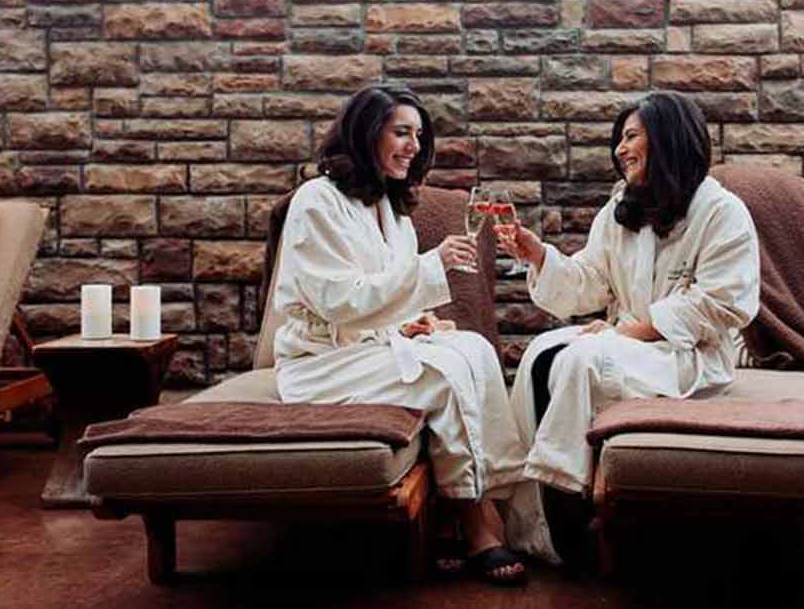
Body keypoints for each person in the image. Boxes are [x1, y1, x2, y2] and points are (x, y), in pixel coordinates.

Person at [270, 83, 537, 585]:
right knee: (442, 372)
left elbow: (381, 301)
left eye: (418, 134)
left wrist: (411, 323)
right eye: (401, 132)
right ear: (366, 133)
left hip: (367, 350)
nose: (413, 146)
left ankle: (491, 501)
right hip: (319, 367)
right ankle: (474, 523)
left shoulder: (391, 211)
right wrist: (429, 269)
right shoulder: (316, 202)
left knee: (473, 350)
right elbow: (338, 301)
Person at [497, 91, 762, 516]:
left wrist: (624, 332)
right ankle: (525, 499)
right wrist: (539, 256)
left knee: (580, 361)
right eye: (619, 139)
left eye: (631, 136)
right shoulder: (622, 207)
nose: (620, 150)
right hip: (627, 342)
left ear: (668, 138)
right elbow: (590, 281)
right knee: (539, 354)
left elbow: (721, 303)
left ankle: (565, 499)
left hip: (688, 357)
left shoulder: (722, 212)